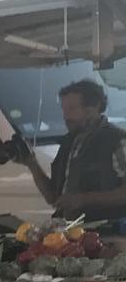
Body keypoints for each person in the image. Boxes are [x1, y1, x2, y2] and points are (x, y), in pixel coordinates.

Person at [13, 78, 126, 224]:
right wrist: (31, 163)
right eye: (64, 110)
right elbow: (53, 198)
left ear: (93, 108)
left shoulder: (117, 140)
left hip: (106, 231)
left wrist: (84, 199)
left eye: (71, 109)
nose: (65, 117)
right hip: (70, 230)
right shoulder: (68, 143)